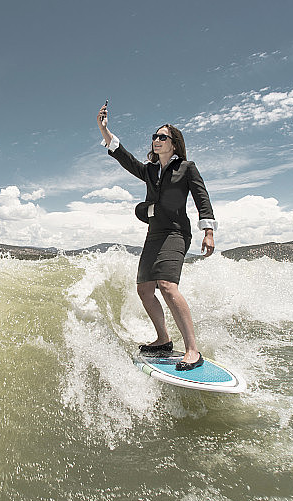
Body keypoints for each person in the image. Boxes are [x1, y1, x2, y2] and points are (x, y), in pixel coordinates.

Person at [97, 103, 217, 370]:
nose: (157, 140)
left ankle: (193, 351)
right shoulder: (150, 171)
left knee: (167, 285)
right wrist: (104, 129)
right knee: (144, 289)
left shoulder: (187, 168)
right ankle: (163, 339)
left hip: (176, 233)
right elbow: (124, 157)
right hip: (154, 234)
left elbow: (202, 198)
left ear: (174, 143)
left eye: (162, 136)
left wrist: (208, 231)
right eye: (155, 136)